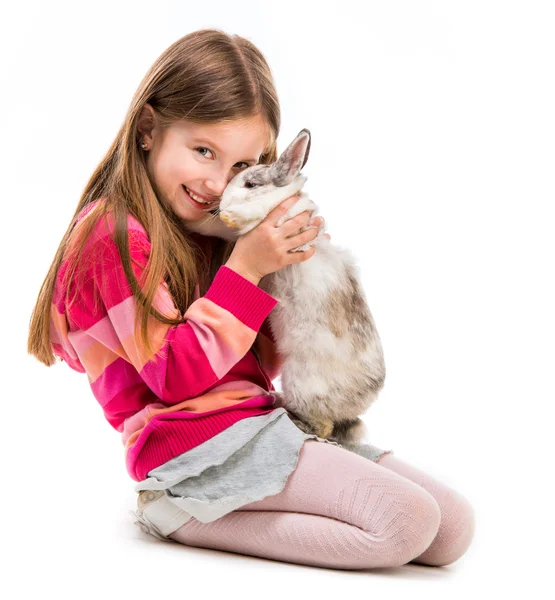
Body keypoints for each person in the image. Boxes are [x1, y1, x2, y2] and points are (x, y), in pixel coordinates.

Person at [27, 29, 475, 571]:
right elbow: (175, 378)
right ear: (148, 130)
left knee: (450, 528)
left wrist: (291, 277)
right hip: (188, 448)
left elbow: (255, 367)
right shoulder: (111, 238)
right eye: (203, 151)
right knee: (405, 523)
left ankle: (214, 509)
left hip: (258, 423)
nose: (219, 183)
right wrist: (247, 268)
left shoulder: (207, 230)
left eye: (242, 166)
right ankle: (181, 511)